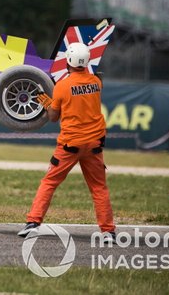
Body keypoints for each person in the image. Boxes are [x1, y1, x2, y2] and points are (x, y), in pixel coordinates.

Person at [18, 42, 116, 243]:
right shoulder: (96, 82)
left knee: (49, 182)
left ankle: (33, 223)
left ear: (69, 61)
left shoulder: (63, 86)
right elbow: (94, 79)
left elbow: (53, 116)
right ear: (86, 61)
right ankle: (108, 232)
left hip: (70, 145)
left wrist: (44, 100)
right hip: (95, 144)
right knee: (99, 188)